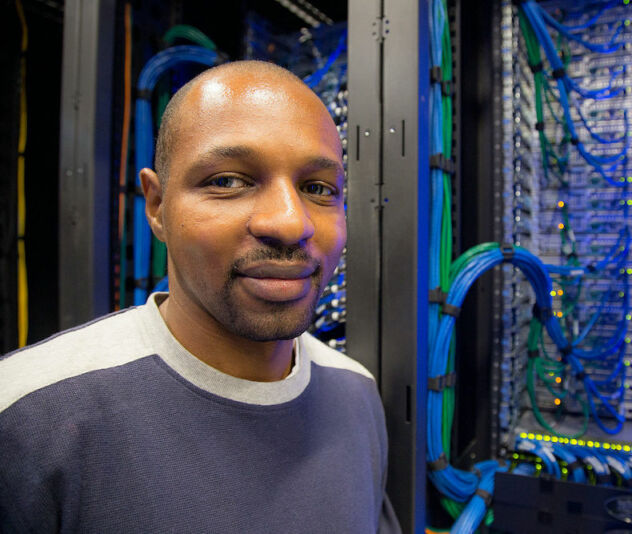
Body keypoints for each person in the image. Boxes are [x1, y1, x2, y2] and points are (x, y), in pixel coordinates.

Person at [0, 60, 400, 533]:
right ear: (157, 205)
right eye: (228, 181)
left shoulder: (356, 394)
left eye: (318, 188)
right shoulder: (26, 414)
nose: (291, 223)